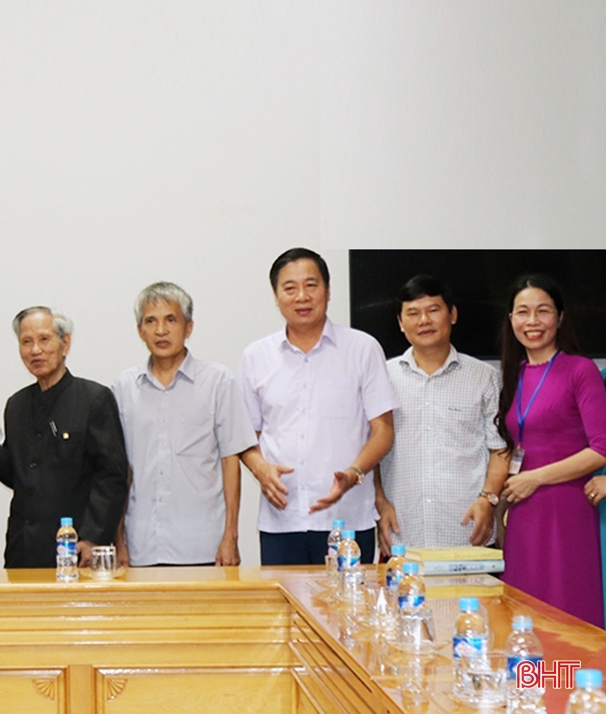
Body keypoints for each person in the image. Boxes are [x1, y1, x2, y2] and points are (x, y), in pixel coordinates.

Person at [237, 248, 397, 565]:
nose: (302, 297)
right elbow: (245, 438)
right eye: (290, 288)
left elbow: (383, 431)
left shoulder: (362, 349)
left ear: (328, 290)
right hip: (282, 520)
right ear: (276, 295)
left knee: (349, 612)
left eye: (311, 285)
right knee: (284, 614)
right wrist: (261, 469)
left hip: (348, 520)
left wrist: (354, 473)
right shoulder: (255, 356)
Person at [111, 282, 257, 567]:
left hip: (203, 546)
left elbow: (231, 462)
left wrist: (231, 536)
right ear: (140, 331)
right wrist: (119, 539)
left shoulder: (217, 381)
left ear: (188, 328)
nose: (161, 330)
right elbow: (119, 469)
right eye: (150, 321)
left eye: (171, 320)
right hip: (142, 546)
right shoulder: (124, 387)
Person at [0, 307, 128, 568]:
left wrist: (93, 537)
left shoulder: (94, 399)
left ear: (65, 343)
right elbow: (19, 477)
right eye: (26, 342)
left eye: (44, 339)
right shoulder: (17, 405)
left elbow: (112, 477)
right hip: (23, 549)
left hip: (76, 548)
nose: (35, 350)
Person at [498, 274, 606, 627]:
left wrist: (536, 478)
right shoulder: (514, 374)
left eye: (542, 311)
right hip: (523, 512)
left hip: (566, 508)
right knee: (524, 614)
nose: (532, 322)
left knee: (567, 610)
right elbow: (516, 445)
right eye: (522, 312)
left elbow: (601, 449)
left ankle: (571, 683)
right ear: (511, 319)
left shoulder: (581, 370)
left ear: (559, 318)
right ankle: (531, 683)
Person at [373, 276, 508, 551]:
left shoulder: (485, 377)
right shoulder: (381, 377)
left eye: (433, 310)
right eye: (413, 313)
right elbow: (369, 449)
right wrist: (380, 503)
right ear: (400, 322)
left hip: (470, 535)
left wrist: (487, 499)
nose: (424, 320)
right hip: (403, 535)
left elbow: (500, 449)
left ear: (452, 314)